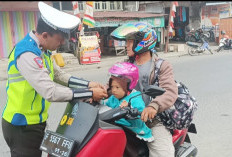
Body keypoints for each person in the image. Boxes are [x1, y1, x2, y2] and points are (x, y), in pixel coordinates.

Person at [1, 2, 107, 157]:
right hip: (22, 126)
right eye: (59, 40)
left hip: (34, 123)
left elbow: (58, 75)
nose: (62, 43)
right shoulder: (27, 54)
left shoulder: (42, 51)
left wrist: (89, 84)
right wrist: (90, 93)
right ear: (45, 35)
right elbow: (50, 91)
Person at [111, 22, 178, 157]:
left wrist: (153, 107)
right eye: (127, 41)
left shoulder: (161, 66)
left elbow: (169, 91)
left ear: (143, 42)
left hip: (152, 120)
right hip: (124, 116)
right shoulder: (126, 65)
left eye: (130, 41)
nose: (126, 45)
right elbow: (114, 88)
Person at [102, 62, 154, 142]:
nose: (114, 90)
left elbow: (141, 117)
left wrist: (130, 108)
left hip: (134, 133)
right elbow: (104, 106)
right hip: (117, 128)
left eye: (117, 87)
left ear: (129, 86)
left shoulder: (135, 98)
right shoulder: (114, 97)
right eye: (112, 87)